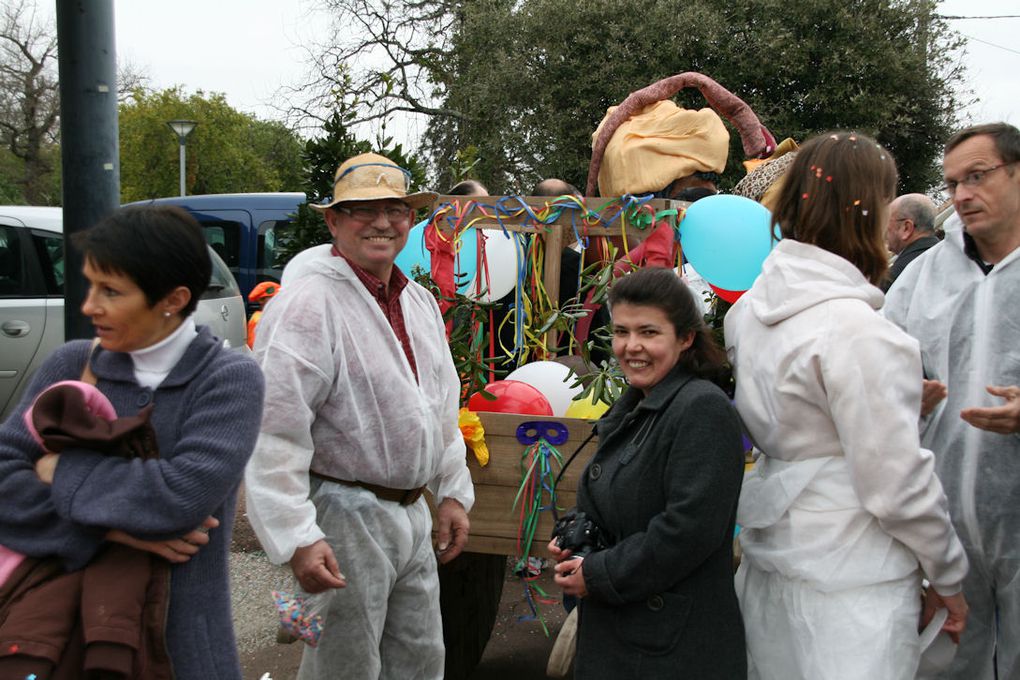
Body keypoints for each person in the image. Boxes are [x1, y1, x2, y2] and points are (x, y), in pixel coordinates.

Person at [725, 132, 969, 679]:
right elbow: (896, 484)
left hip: (773, 561)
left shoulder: (747, 314)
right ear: (868, 210)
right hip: (854, 581)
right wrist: (949, 577)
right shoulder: (858, 331)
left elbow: (800, 421)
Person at [0, 205, 265, 678]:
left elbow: (178, 500)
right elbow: (3, 479)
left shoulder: (228, 379)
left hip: (180, 644)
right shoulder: (71, 363)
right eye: (90, 285)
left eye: (111, 291)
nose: (88, 306)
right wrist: (108, 529)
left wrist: (57, 470)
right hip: (59, 638)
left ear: (172, 298)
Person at [244, 152, 474, 680]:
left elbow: (441, 405)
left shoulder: (415, 300)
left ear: (411, 220)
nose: (381, 222)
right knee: (343, 665)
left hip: (411, 513)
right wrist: (298, 534)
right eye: (361, 210)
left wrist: (453, 490)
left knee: (419, 659)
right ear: (333, 220)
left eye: (395, 209)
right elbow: (273, 427)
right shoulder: (308, 303)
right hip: (343, 514)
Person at [548, 267, 746, 679]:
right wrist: (578, 537)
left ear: (686, 337)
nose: (631, 346)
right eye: (621, 332)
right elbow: (624, 499)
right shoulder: (640, 404)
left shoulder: (701, 410)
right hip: (631, 634)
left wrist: (598, 575)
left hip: (671, 646)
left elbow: (686, 531)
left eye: (649, 333)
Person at [884, 122, 1020, 679]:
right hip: (944, 524)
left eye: (978, 176)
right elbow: (878, 359)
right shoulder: (927, 275)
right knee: (950, 663)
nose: (962, 194)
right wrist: (902, 392)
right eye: (953, 182)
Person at [882, 192, 939, 291]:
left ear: (906, 228)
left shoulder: (896, 277)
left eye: (887, 221)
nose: (884, 228)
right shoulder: (947, 256)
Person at [246, 280, 279, 348]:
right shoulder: (259, 318)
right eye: (273, 297)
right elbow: (254, 345)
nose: (278, 299)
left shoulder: (270, 314)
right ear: (261, 300)